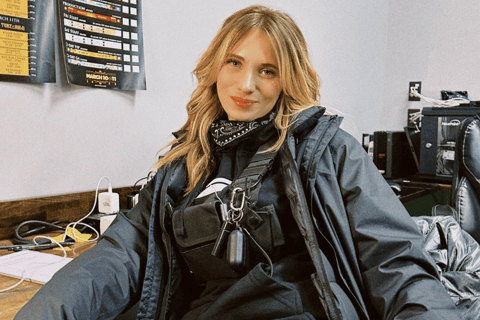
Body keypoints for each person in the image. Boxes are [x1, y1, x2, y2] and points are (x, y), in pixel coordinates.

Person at [16, 5, 461, 320]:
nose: (246, 84)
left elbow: (395, 261)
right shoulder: (182, 165)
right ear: (215, 67)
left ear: (289, 79)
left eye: (267, 70)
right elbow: (118, 258)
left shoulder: (326, 150)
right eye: (235, 62)